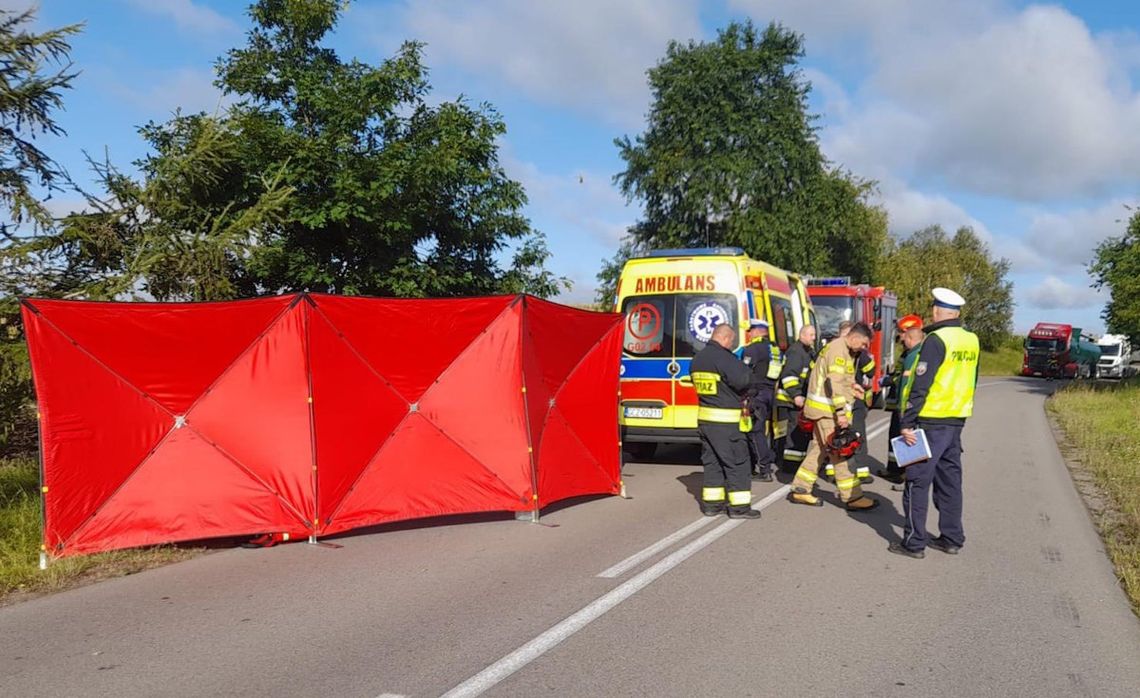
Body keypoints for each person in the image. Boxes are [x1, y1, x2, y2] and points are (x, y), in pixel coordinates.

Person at [889, 288, 979, 559]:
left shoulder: (935, 340)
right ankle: (952, 538)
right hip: (956, 421)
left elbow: (921, 384)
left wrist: (907, 422)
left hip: (930, 421)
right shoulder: (971, 339)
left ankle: (914, 543)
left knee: (916, 482)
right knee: (950, 481)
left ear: (937, 311)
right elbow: (973, 380)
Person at [787, 322, 880, 511]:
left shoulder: (843, 350)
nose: (864, 349)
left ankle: (801, 488)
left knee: (819, 450)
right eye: (863, 344)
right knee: (840, 451)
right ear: (854, 337)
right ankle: (853, 497)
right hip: (827, 411)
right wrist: (841, 413)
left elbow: (841, 379)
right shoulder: (838, 350)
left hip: (823, 410)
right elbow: (834, 383)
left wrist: (853, 387)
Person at [691, 323, 762, 519]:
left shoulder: (698, 359)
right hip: (727, 422)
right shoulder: (723, 358)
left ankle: (712, 505)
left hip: (706, 421)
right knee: (738, 462)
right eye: (731, 340)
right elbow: (744, 381)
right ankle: (739, 507)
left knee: (712, 462)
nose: (732, 344)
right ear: (724, 337)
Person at [878, 315, 925, 486]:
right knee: (895, 435)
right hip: (899, 402)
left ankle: (906, 476)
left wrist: (890, 381)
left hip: (907, 405)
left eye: (902, 333)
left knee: (906, 438)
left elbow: (906, 380)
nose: (900, 337)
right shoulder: (908, 352)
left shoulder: (915, 354)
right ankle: (895, 470)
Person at [739, 319, 781, 482]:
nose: (749, 333)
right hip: (770, 392)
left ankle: (764, 470)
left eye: (750, 330)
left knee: (755, 432)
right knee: (762, 431)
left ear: (757, 331)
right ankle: (762, 466)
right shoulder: (775, 348)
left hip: (756, 394)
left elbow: (745, 372)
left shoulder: (752, 349)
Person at [776, 324, 816, 473]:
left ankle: (797, 463)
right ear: (802, 335)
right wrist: (796, 395)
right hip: (791, 400)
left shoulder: (807, 352)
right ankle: (790, 466)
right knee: (795, 433)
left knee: (800, 434)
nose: (814, 338)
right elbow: (789, 376)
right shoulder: (796, 352)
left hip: (800, 399)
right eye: (811, 335)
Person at [851, 343, 876, 484]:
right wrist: (863, 354)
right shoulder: (860, 354)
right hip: (855, 400)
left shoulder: (830, 350)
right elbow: (871, 371)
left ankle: (833, 472)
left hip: (837, 401)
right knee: (858, 435)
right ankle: (861, 471)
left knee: (837, 437)